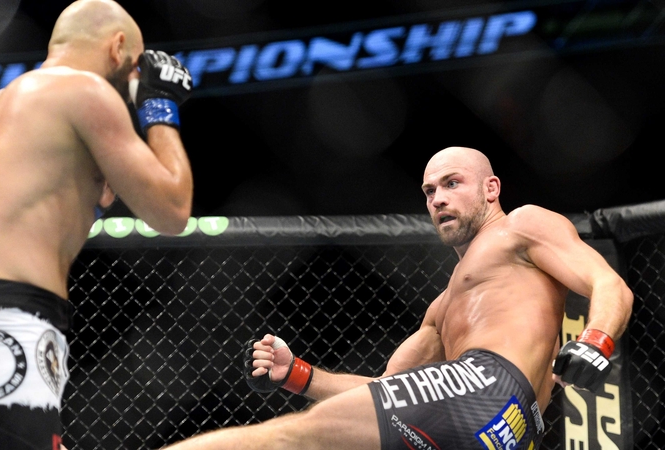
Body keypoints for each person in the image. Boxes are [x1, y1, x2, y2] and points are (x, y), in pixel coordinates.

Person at [161, 146, 633, 450]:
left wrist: (597, 342)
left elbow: (609, 284)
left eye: (452, 183)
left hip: (491, 388)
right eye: (429, 191)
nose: (438, 199)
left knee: (290, 439)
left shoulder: (521, 226)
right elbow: (385, 391)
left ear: (491, 189)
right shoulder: (443, 308)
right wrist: (299, 376)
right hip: (504, 428)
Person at [0, 0, 195, 449]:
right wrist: (160, 107)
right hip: (8, 321)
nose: (134, 83)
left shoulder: (3, 105)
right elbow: (172, 209)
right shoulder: (85, 93)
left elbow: (61, 212)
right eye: (135, 69)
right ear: (117, 49)